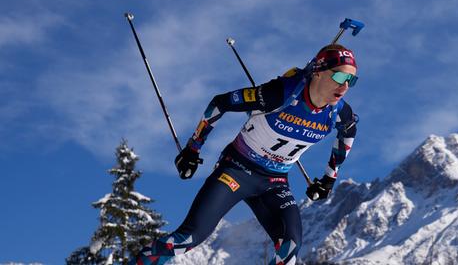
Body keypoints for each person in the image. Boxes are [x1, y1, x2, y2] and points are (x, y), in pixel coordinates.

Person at [132, 44, 359, 265]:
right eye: (339, 77)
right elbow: (220, 103)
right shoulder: (280, 95)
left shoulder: (339, 112)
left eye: (351, 80)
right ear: (317, 72)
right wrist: (193, 148)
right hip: (236, 170)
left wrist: (329, 179)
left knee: (290, 248)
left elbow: (348, 133)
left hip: (275, 183)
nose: (345, 86)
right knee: (188, 238)